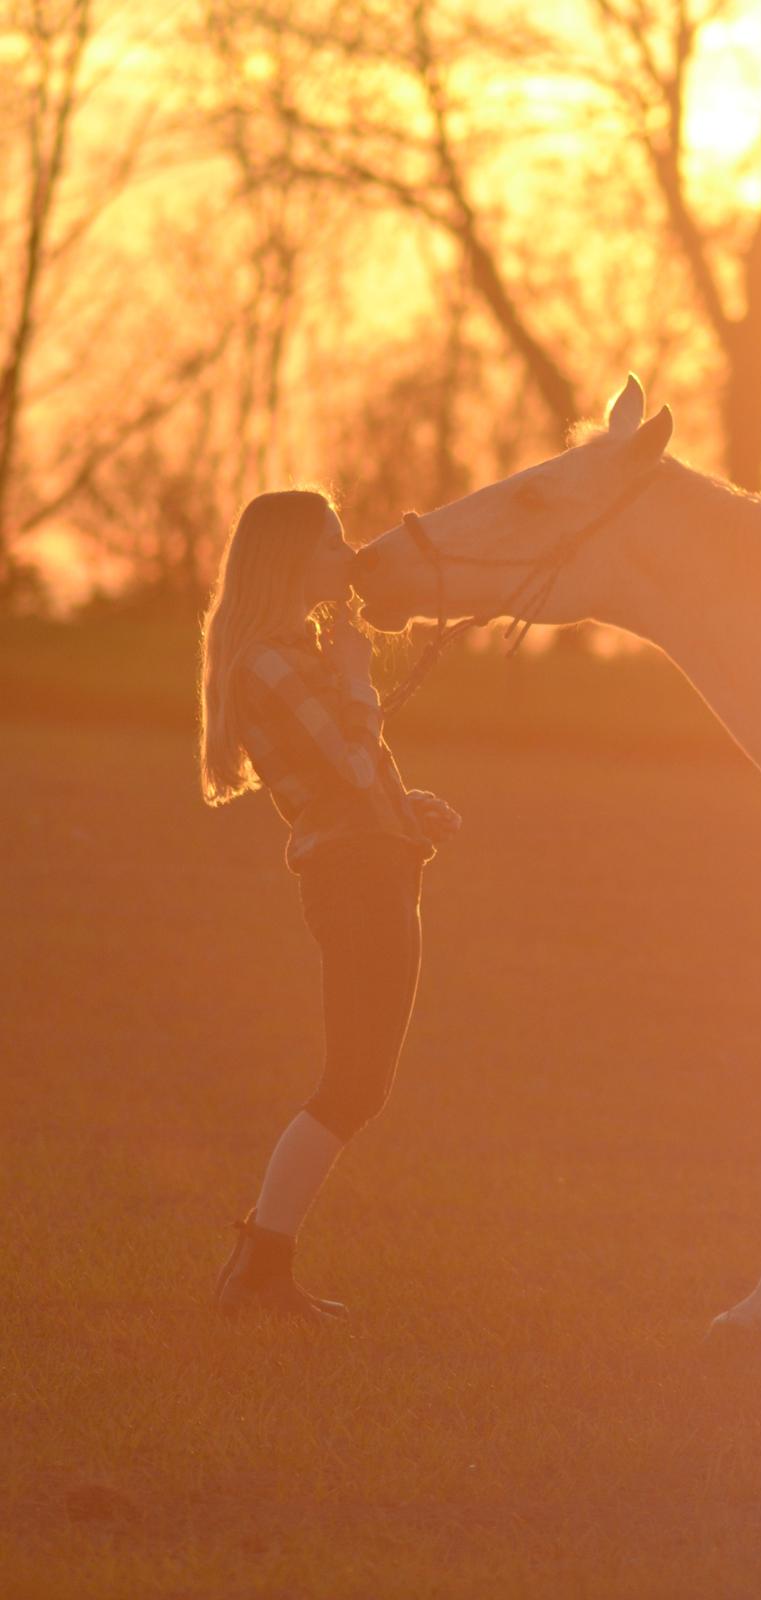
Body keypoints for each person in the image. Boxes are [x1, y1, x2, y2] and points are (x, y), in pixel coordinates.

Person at [198, 487, 460, 1323]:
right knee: (352, 1084)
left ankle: (262, 1265)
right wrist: (359, 682)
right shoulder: (273, 664)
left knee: (361, 1084)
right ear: (286, 563)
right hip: (355, 883)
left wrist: (406, 806)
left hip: (375, 867)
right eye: (330, 545)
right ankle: (258, 1265)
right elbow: (346, 767)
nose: (346, 559)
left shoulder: (292, 655)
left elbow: (341, 779)